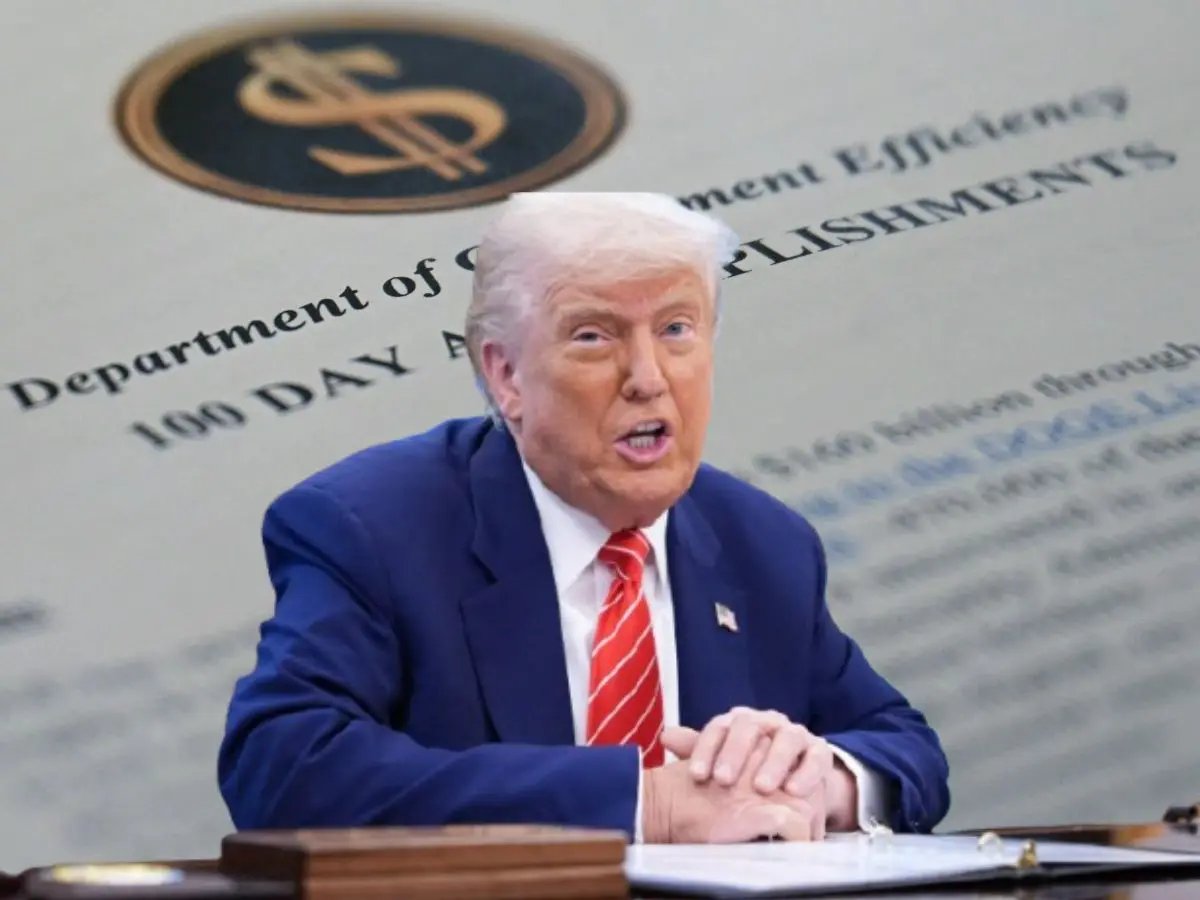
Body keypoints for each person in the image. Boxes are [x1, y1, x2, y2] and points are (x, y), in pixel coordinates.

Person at [218, 192, 949, 843]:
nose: (648, 378)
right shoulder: (374, 526)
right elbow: (282, 767)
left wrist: (821, 782)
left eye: (677, 329)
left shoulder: (762, 542)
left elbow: (905, 748)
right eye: (595, 336)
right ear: (506, 374)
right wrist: (644, 805)